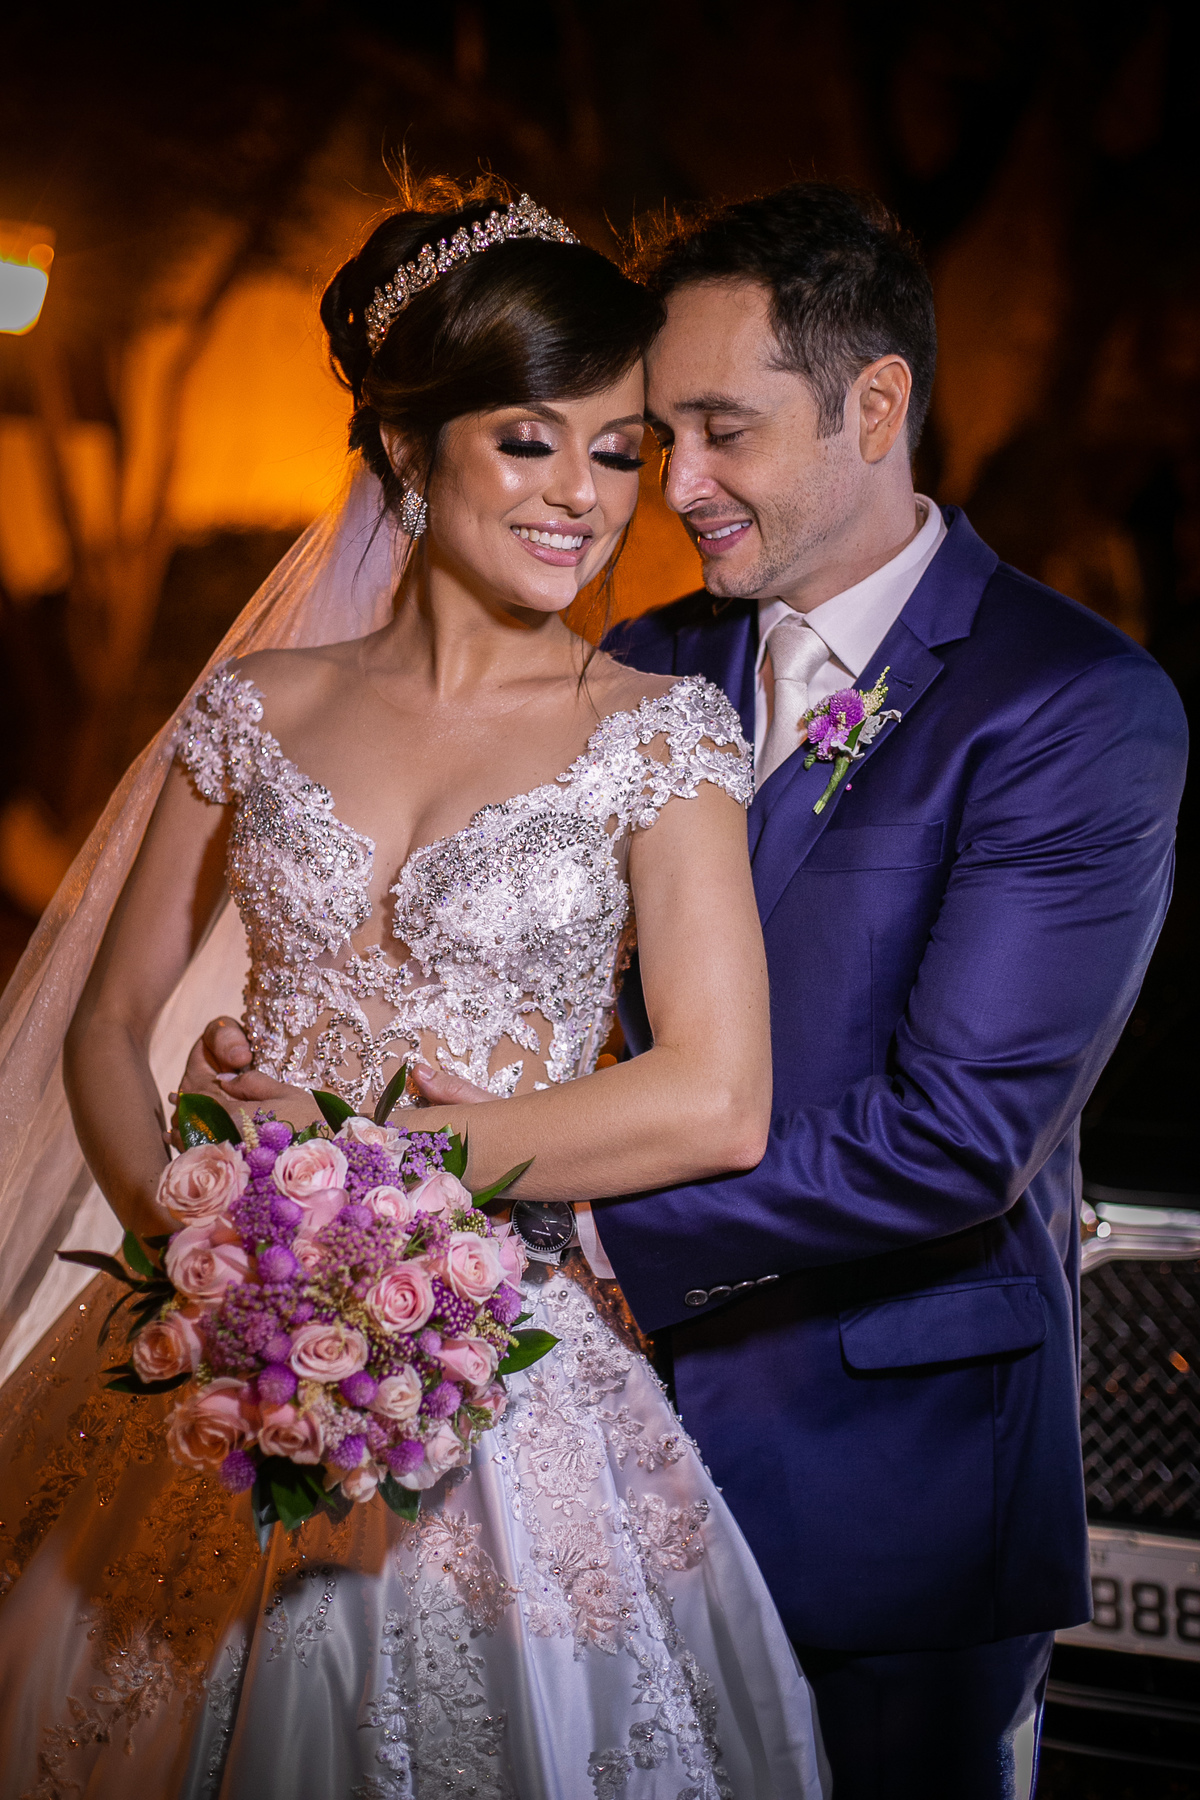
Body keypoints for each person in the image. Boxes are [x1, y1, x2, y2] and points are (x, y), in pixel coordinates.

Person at [0, 178, 829, 1800]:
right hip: (219, 1340)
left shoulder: (658, 735)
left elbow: (718, 1098)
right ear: (406, 447)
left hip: (492, 1371)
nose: (586, 498)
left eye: (618, 451)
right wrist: (198, 1242)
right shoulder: (254, 704)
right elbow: (109, 1026)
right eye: (533, 440)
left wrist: (367, 1184)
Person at [590, 185, 1187, 1797]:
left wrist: (583, 1237)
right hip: (588, 1473)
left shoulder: (1069, 705)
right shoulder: (642, 661)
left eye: (722, 428)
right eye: (661, 436)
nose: (680, 484)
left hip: (886, 1481)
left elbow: (952, 1138)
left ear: (875, 405)